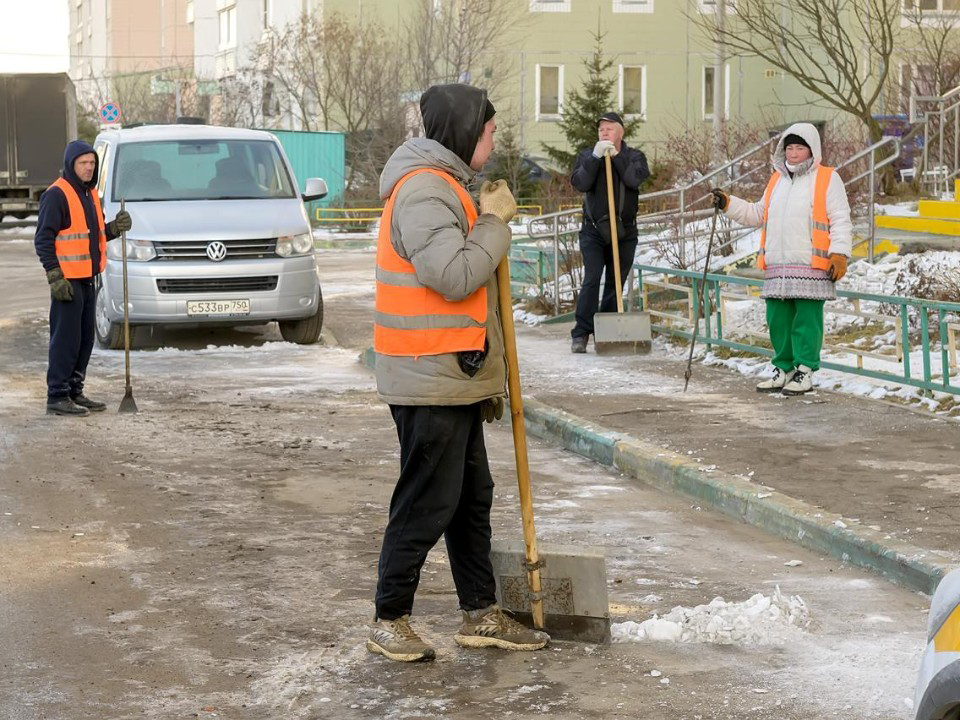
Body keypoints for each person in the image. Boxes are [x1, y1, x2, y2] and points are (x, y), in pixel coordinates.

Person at [369, 83, 550, 662]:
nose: (495, 140)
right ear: (464, 131)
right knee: (427, 501)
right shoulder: (423, 190)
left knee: (472, 499)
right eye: (490, 130)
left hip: (453, 375)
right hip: (427, 377)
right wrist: (494, 224)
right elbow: (452, 275)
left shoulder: (448, 185)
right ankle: (389, 617)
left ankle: (481, 612)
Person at [711, 122, 852, 395]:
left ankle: (805, 369)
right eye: (789, 147)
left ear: (812, 150)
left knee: (807, 320)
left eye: (800, 147)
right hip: (778, 264)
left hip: (812, 264)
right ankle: (784, 368)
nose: (794, 153)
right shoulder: (776, 180)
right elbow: (757, 214)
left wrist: (840, 253)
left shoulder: (827, 178)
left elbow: (840, 219)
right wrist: (729, 204)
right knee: (778, 319)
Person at [34, 140, 132, 416]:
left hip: (89, 278)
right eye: (83, 163)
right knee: (65, 339)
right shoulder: (57, 195)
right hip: (67, 282)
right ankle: (57, 395)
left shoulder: (90, 194)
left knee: (84, 339)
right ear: (71, 165)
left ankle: (75, 390)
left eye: (92, 163)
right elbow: (43, 239)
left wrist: (113, 228)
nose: (88, 168)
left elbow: (93, 235)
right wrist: (55, 275)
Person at [569, 111, 650, 353]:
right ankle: (581, 333)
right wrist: (595, 158)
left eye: (609, 128)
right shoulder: (587, 156)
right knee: (592, 278)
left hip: (625, 230)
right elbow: (580, 183)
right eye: (601, 129)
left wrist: (616, 158)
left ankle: (607, 330)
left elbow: (634, 180)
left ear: (621, 132)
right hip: (594, 229)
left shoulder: (634, 157)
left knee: (616, 281)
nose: (604, 133)